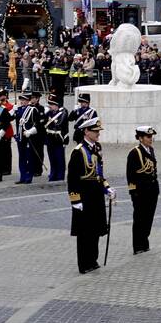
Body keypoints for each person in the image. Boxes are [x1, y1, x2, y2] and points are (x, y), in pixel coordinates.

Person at [67, 118, 115, 273]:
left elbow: (99, 173)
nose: (98, 134)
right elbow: (72, 178)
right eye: (95, 131)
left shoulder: (97, 148)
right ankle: (84, 264)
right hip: (84, 196)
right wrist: (75, 200)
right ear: (86, 132)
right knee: (84, 232)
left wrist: (107, 189)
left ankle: (93, 260)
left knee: (95, 230)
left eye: (98, 131)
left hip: (96, 195)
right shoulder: (78, 151)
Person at [127, 126, 159, 255]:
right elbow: (130, 175)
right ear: (140, 138)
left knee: (149, 217)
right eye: (148, 137)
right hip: (140, 191)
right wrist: (133, 192)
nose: (150, 139)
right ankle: (138, 245)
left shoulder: (150, 150)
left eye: (151, 137)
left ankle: (145, 242)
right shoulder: (134, 152)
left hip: (152, 190)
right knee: (140, 218)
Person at [44, 95, 69, 181]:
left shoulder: (63, 112)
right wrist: (45, 114)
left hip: (58, 139)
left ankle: (60, 176)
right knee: (52, 158)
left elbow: (59, 124)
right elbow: (43, 123)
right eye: (49, 104)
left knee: (59, 159)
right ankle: (53, 174)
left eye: (51, 104)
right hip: (50, 139)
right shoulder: (49, 113)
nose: (50, 106)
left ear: (56, 105)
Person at [0, 89, 14, 181]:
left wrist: (0, 134)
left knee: (1, 154)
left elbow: (7, 122)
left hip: (0, 134)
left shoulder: (2, 109)